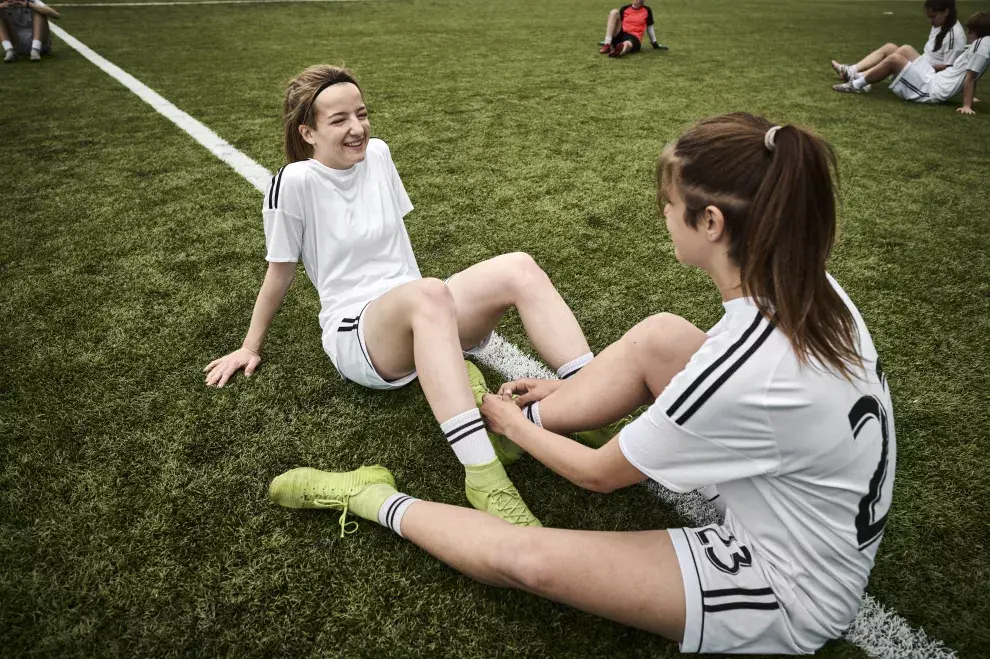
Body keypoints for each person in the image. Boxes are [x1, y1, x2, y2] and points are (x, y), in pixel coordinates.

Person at [268, 113, 896, 654]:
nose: (663, 216)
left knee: (527, 559)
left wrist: (507, 420)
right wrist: (563, 398)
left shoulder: (740, 366)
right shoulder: (815, 286)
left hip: (787, 586)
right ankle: (553, 413)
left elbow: (600, 474)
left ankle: (369, 498)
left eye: (669, 207)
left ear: (710, 223)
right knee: (660, 334)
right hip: (794, 496)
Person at [205, 65, 597, 528]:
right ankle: (483, 476)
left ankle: (595, 399)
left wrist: (430, 314)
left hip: (424, 312)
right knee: (427, 293)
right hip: (360, 336)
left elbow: (395, 250)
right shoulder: (293, 182)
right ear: (307, 132)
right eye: (339, 120)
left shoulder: (380, 155)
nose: (357, 128)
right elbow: (279, 274)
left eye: (362, 113)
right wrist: (250, 346)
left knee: (518, 266)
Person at [834, 11, 990, 115]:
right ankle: (857, 74)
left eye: (970, 30)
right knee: (905, 49)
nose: (967, 33)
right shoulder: (983, 44)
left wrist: (967, 105)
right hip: (935, 78)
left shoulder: (980, 47)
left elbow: (970, 77)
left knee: (894, 60)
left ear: (975, 31)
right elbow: (972, 74)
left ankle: (855, 85)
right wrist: (970, 97)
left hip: (932, 89)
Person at [831, 0, 966, 83]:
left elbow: (951, 69)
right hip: (922, 65)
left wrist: (914, 63)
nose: (930, 21)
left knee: (902, 51)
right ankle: (853, 70)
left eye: (934, 17)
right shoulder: (940, 25)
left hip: (929, 76)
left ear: (946, 12)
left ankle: (859, 77)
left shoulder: (955, 36)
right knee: (890, 47)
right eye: (929, 17)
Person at [598, 0, 667, 58]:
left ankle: (619, 51)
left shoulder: (647, 10)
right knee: (614, 12)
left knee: (627, 43)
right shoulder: (624, 8)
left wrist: (655, 43)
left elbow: (650, 28)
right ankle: (607, 44)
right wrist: (607, 39)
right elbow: (616, 24)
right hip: (622, 34)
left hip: (635, 37)